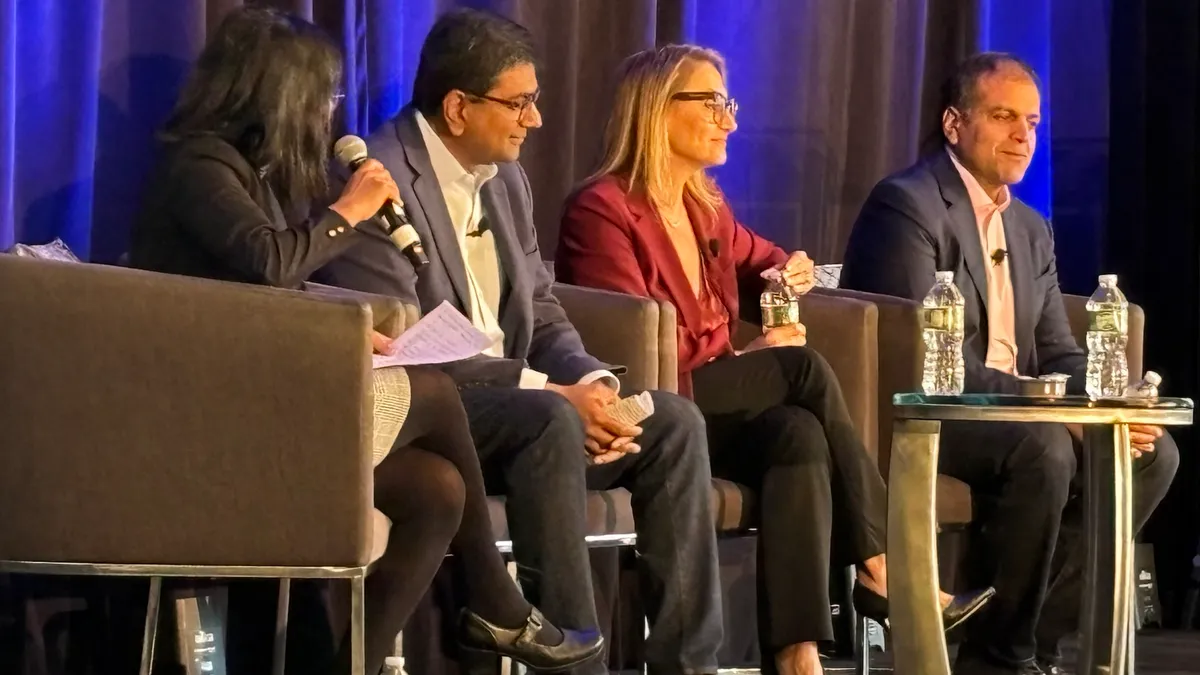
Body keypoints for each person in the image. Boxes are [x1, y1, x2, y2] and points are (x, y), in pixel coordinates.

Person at [129, 8, 602, 675]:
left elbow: (273, 294)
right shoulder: (200, 165)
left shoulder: (256, 175)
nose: (330, 112)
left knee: (438, 490)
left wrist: (357, 333)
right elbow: (265, 262)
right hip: (208, 423)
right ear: (280, 92)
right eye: (323, 96)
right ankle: (494, 596)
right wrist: (345, 212)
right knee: (435, 389)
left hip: (262, 402)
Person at [553, 44, 995, 675]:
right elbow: (630, 348)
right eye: (712, 104)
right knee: (801, 369)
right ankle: (885, 566)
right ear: (656, 110)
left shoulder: (705, 206)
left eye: (728, 106)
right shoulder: (603, 209)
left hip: (715, 402)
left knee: (798, 433)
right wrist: (752, 354)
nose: (728, 121)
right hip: (653, 404)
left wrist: (787, 277)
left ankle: (797, 654)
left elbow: (771, 262)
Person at [312, 10, 723, 675]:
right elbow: (406, 342)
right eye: (520, 103)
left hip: (533, 399)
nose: (534, 120)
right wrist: (557, 393)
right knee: (551, 419)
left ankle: (689, 664)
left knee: (673, 421)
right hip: (439, 409)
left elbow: (542, 307)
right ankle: (572, 659)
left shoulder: (507, 178)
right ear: (457, 107)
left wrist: (595, 383)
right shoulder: (379, 178)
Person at [840, 52, 1180, 675]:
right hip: (928, 413)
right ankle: (1004, 657)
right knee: (1043, 449)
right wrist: (1055, 412)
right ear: (953, 123)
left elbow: (1057, 349)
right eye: (1002, 117)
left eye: (1031, 121)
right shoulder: (907, 205)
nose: (1023, 135)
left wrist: (1107, 404)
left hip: (1017, 411)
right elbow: (924, 359)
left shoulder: (1028, 226)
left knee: (1152, 456)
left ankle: (1032, 644)